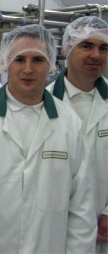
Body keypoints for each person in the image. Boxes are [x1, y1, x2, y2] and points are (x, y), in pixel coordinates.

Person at [0, 24, 97, 253]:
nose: (28, 69)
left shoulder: (70, 124)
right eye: (19, 59)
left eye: (38, 60)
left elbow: (81, 206)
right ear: (6, 63)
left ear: (51, 66)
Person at [47, 16, 108, 253]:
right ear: (67, 49)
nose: (96, 54)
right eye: (86, 46)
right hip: (58, 229)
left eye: (103, 47)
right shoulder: (45, 103)